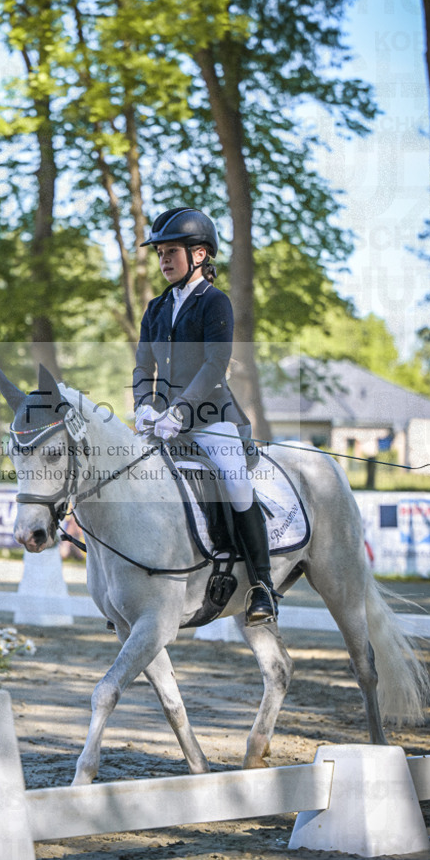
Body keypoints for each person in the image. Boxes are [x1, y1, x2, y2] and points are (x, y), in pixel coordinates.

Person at [132, 206, 277, 626]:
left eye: (171, 252)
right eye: (160, 253)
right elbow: (144, 365)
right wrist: (145, 404)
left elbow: (215, 364)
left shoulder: (215, 303)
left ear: (199, 255)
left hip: (212, 417)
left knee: (234, 479)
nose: (163, 260)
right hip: (163, 422)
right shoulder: (156, 308)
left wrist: (180, 408)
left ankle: (262, 586)